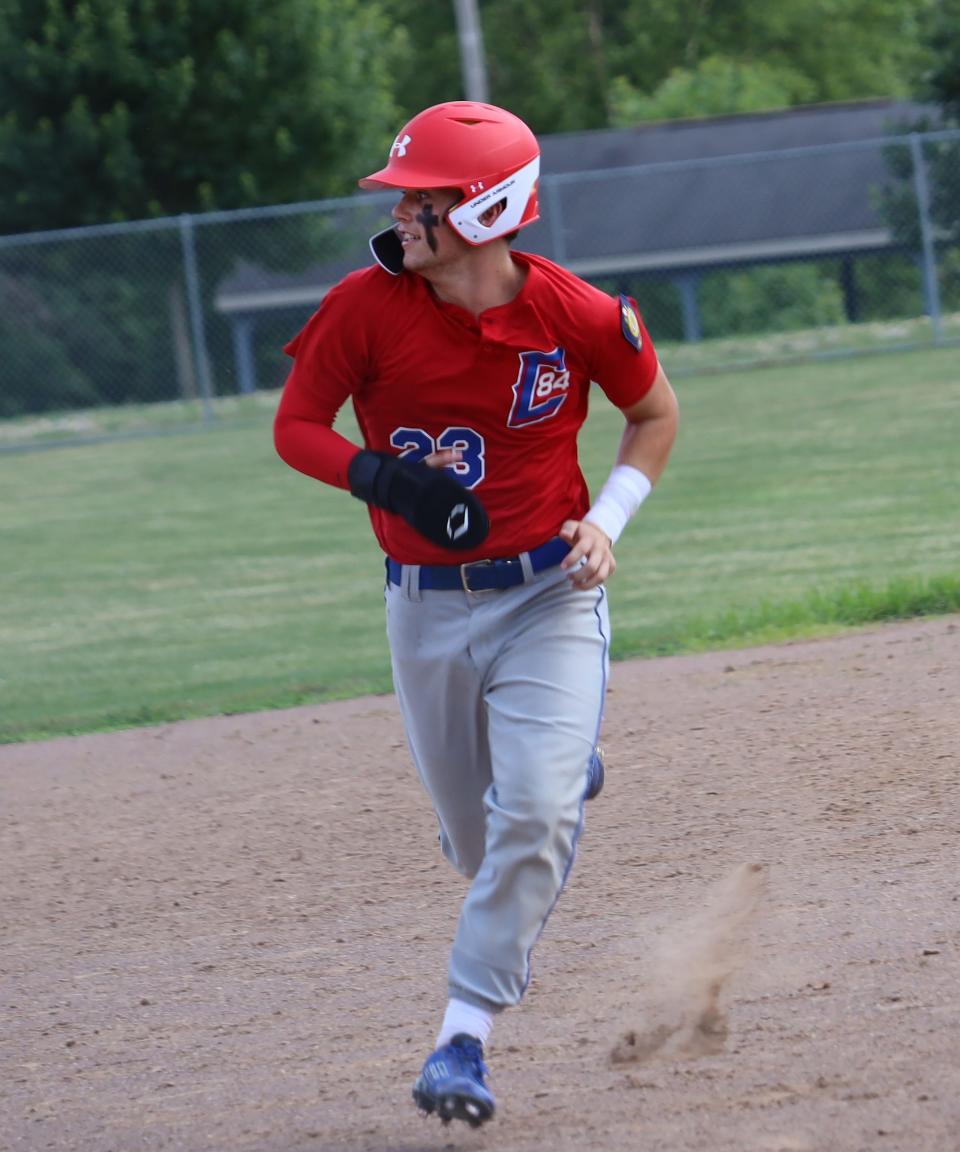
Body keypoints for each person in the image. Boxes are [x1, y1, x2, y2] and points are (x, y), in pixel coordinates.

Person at [273, 100, 679, 1127]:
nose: (404, 213)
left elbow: (653, 413)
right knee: (477, 845)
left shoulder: (578, 316)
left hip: (550, 592)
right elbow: (295, 427)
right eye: (406, 197)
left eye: (427, 199)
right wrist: (386, 482)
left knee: (532, 821)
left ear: (493, 207)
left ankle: (464, 1039)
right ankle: (560, 761)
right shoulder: (364, 308)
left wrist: (610, 519)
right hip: (425, 614)